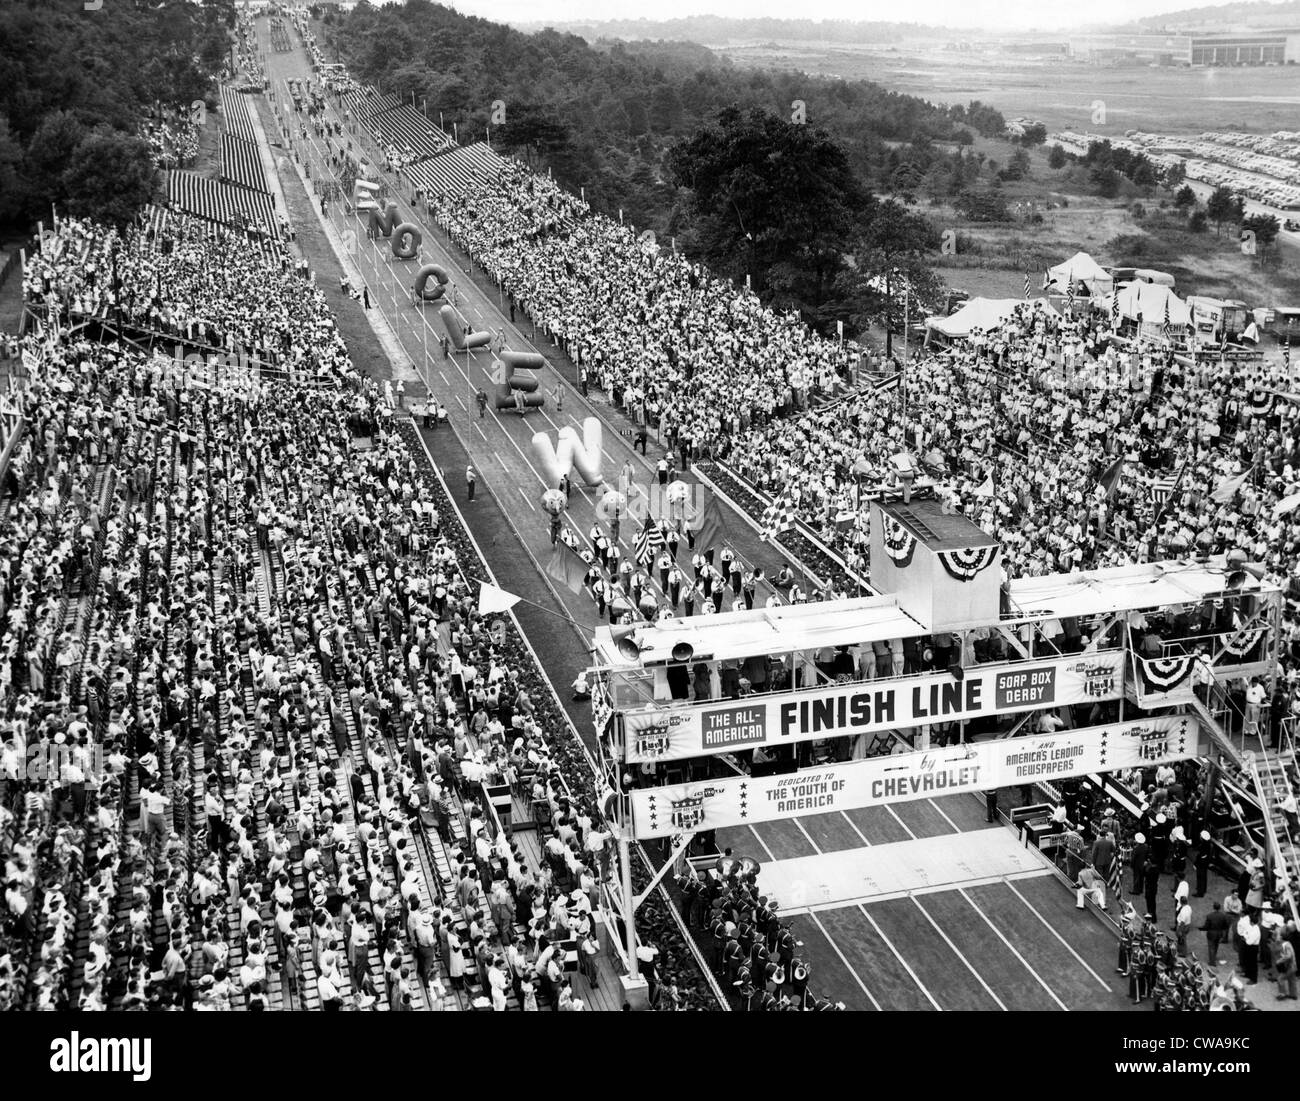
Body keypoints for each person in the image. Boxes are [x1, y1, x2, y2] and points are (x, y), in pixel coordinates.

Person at [1200, 902, 1232, 968]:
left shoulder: (1209, 916)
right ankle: (1213, 957)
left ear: (1213, 907)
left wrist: (1202, 928)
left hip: (1211, 933)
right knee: (1216, 945)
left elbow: (1206, 926)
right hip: (1219, 933)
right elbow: (1226, 925)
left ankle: (1212, 962)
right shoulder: (1223, 916)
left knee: (1211, 947)